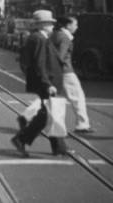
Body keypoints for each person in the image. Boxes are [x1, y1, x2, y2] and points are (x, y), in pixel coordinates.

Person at [11, 9, 68, 157]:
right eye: (49, 24)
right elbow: (40, 64)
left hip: (48, 81)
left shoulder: (40, 37)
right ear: (42, 25)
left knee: (50, 113)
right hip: (47, 83)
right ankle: (21, 139)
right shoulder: (39, 39)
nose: (52, 27)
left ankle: (59, 147)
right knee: (47, 115)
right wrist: (47, 84)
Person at [51, 15, 93, 133]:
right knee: (78, 97)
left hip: (57, 72)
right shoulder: (64, 38)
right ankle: (82, 124)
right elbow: (61, 56)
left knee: (53, 99)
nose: (77, 27)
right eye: (75, 24)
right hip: (66, 72)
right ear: (68, 25)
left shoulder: (55, 35)